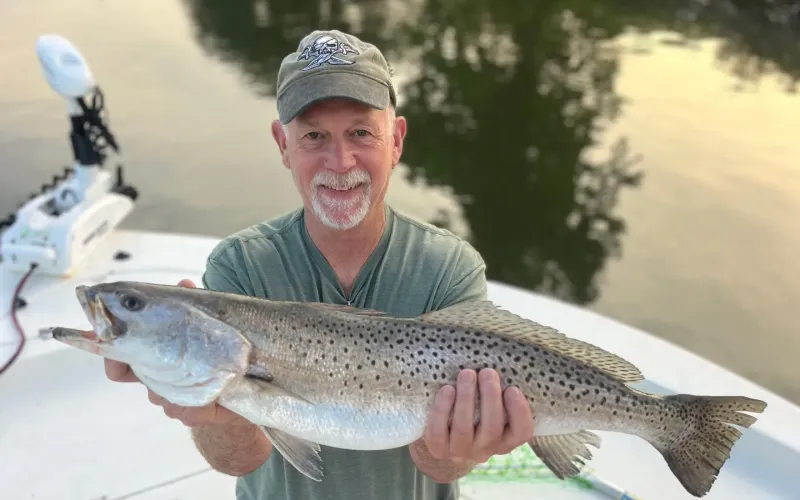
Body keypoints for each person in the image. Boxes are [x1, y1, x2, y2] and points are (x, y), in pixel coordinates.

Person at [104, 29, 535, 500]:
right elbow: (238, 461)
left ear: (396, 140)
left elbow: (441, 468)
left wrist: (463, 443)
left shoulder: (448, 265)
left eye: (361, 132)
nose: (340, 160)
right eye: (313, 135)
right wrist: (209, 407)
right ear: (282, 144)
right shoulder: (240, 266)